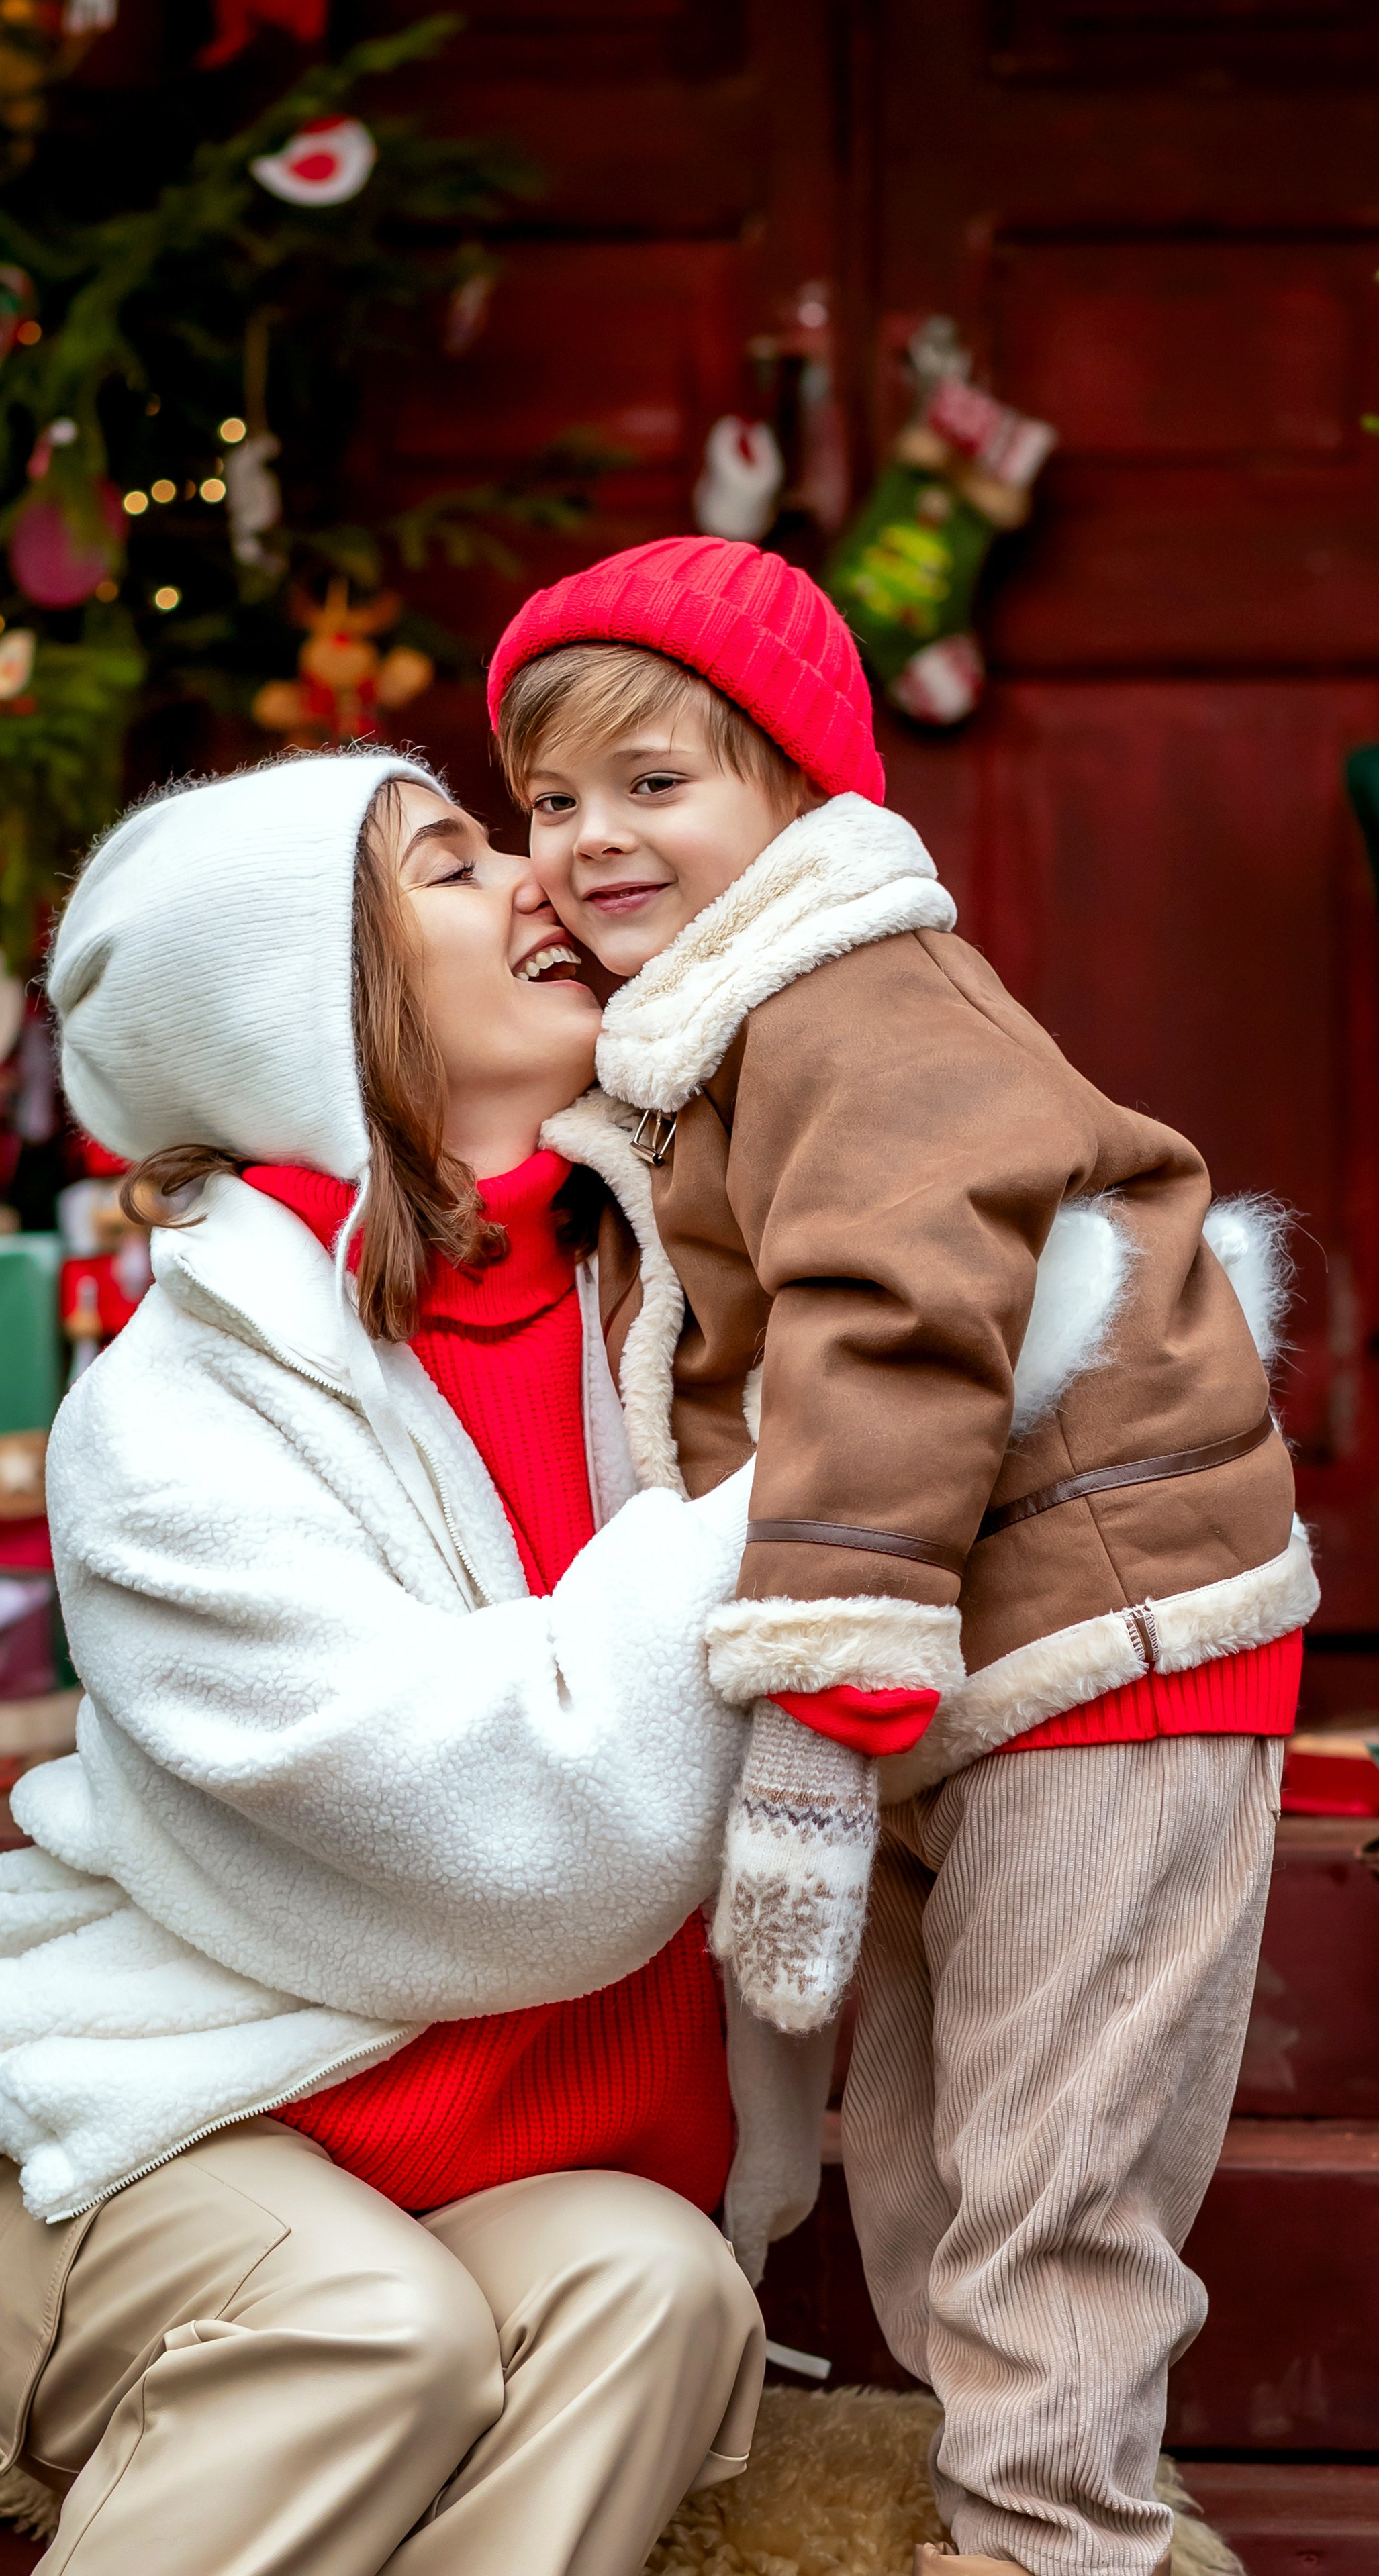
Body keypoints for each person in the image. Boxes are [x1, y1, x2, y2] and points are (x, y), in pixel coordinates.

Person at [0, 748, 830, 2576]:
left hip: (468, 2177)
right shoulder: (174, 1419)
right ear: (310, 1000)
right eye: (457, 866)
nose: (544, 880)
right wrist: (821, 1469)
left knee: (658, 2289)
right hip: (112, 2153)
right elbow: (517, 1828)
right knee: (366, 2331)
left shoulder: (658, 1299)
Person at [487, 535, 1317, 2576]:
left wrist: (814, 1715)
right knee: (937, 2185)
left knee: (1052, 2175)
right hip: (972, 1655)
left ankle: (1052, 2542)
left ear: (799, 795)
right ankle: (1015, 2506)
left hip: (1110, 1642)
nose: (595, 839)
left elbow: (892, 1324)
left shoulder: (860, 995)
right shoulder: (703, 1036)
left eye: (657, 784)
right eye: (553, 800)